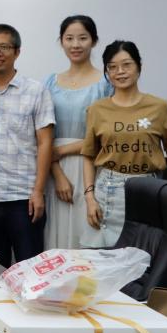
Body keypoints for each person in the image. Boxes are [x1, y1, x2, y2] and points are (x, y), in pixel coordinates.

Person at [81, 40, 167, 247]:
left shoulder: (160, 107)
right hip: (108, 192)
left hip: (149, 189)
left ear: (139, 66)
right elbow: (88, 156)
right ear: (107, 72)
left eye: (126, 65)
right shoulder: (96, 110)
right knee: (104, 257)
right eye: (112, 67)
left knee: (145, 253)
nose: (120, 72)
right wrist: (89, 198)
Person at [0, 24, 55, 267]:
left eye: (4, 47)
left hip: (23, 197)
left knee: (29, 269)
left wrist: (38, 191)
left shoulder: (36, 91)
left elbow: (45, 142)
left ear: (17, 52)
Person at [43, 16, 113, 250]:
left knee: (88, 230)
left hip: (91, 165)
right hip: (55, 169)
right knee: (55, 234)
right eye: (69, 38)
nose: (75, 44)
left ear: (94, 41)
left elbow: (107, 136)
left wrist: (62, 150)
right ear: (61, 41)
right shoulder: (50, 83)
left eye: (82, 38)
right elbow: (42, 135)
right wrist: (57, 172)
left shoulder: (106, 82)